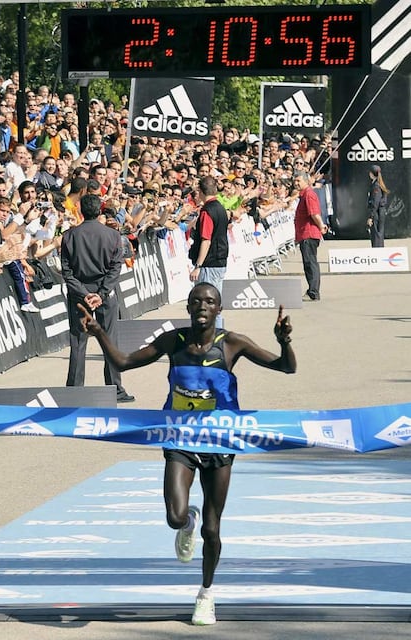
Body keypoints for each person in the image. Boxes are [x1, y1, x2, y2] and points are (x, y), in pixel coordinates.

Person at [77, 281, 296, 625]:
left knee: (213, 529)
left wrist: (285, 342)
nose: (202, 306)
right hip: (180, 439)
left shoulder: (233, 344)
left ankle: (206, 594)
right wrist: (98, 332)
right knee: (175, 517)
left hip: (220, 443)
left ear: (219, 310)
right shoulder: (173, 341)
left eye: (209, 302)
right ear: (189, 307)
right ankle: (186, 522)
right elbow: (123, 361)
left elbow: (286, 367)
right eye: (196, 301)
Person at [61, 193, 134, 403]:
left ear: (81, 211)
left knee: (78, 341)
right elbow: (115, 267)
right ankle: (115, 389)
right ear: (100, 210)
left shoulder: (69, 236)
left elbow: (67, 272)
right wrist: (101, 294)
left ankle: (74, 391)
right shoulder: (112, 235)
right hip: (104, 294)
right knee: (109, 340)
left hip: (79, 294)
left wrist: (85, 294)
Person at [188, 176, 229, 299]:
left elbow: (206, 240)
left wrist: (198, 266)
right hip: (219, 260)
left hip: (209, 264)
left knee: (207, 303)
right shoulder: (220, 208)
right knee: (215, 303)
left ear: (200, 191)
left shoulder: (207, 211)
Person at [293, 171, 327, 302]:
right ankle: (312, 290)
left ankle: (313, 291)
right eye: (295, 181)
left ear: (306, 181)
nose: (296, 183)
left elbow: (314, 213)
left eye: (298, 181)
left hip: (309, 234)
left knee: (310, 263)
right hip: (304, 234)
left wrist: (321, 226)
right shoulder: (304, 195)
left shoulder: (308, 195)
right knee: (309, 263)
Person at [366, 164, 389, 248]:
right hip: (380, 212)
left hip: (377, 213)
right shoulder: (378, 184)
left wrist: (371, 217)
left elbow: (375, 202)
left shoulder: (376, 186)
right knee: (379, 234)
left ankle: (377, 254)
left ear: (372, 174)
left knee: (376, 235)